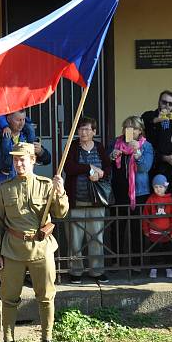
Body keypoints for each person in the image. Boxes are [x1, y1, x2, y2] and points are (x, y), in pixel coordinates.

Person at [0, 142, 69, 342]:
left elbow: (60, 213)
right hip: (12, 250)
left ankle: (47, 339)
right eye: (15, 159)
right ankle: (8, 340)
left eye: (23, 159)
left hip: (41, 249)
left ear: (33, 160)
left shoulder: (46, 186)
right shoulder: (5, 188)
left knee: (46, 298)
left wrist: (60, 192)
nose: (19, 163)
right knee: (9, 298)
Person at [64, 116, 113, 283]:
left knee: (96, 237)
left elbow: (107, 167)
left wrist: (100, 174)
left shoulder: (99, 147)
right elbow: (68, 168)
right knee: (75, 239)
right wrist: (89, 168)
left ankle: (97, 271)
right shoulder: (72, 146)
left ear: (94, 132)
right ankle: (75, 271)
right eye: (80, 129)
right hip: (76, 200)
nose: (83, 132)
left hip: (96, 201)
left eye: (86, 129)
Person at [110, 116, 153, 273]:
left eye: (133, 128)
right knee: (117, 228)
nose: (130, 131)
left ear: (140, 130)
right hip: (119, 191)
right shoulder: (116, 143)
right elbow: (109, 166)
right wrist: (112, 156)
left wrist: (138, 153)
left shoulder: (146, 146)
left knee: (137, 228)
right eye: (127, 127)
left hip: (139, 193)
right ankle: (116, 260)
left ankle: (137, 262)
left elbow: (145, 168)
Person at [0, 110, 51, 199]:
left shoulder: (27, 136)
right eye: (18, 120)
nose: (21, 123)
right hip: (3, 193)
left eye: (23, 119)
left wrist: (41, 152)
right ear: (8, 119)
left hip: (25, 192)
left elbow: (48, 160)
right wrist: (19, 156)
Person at [142, 174, 172, 279]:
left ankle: (168, 268)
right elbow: (145, 216)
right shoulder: (151, 199)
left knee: (168, 250)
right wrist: (146, 229)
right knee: (154, 250)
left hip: (166, 231)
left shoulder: (169, 200)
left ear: (165, 187)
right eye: (156, 187)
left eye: (161, 187)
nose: (158, 189)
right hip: (154, 231)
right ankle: (154, 268)